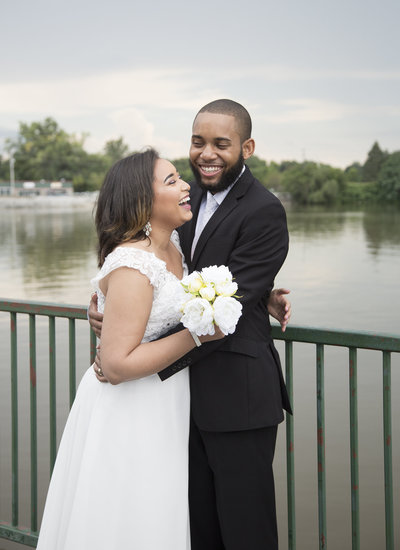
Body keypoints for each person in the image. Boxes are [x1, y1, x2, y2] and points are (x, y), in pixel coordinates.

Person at [89, 99, 292, 549]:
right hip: (179, 400)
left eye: (222, 144)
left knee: (246, 531)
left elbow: (226, 308)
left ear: (247, 147)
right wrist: (108, 308)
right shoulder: (185, 196)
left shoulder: (265, 211)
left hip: (237, 395)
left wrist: (126, 348)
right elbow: (153, 273)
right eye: (198, 142)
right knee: (195, 529)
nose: (207, 154)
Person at [36, 148, 226, 550]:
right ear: (142, 200)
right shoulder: (132, 264)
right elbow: (117, 364)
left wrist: (264, 299)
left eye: (180, 177)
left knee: (158, 511)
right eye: (172, 180)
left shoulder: (174, 244)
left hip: (165, 399)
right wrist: (197, 335)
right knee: (126, 512)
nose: (185, 185)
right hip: (129, 407)